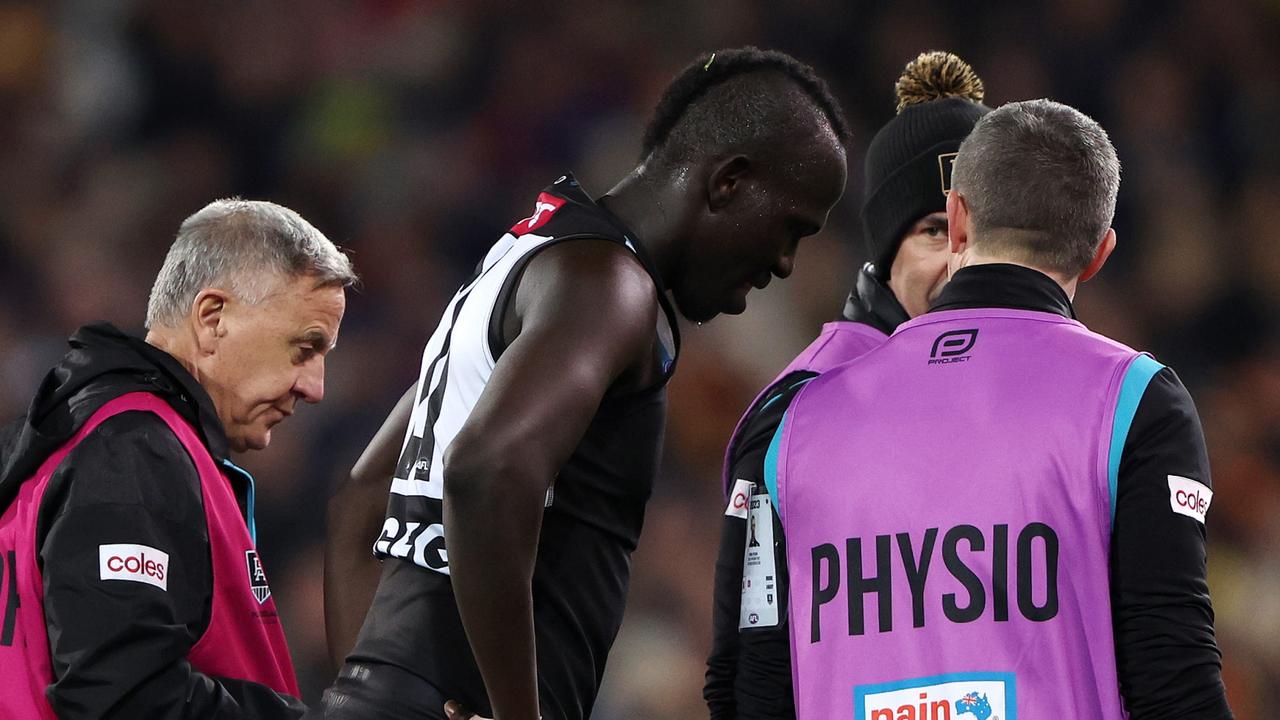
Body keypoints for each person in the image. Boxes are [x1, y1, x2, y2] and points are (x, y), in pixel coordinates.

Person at [318, 47, 849, 720]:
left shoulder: (525, 259)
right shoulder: (609, 288)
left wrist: (365, 690)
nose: (784, 262)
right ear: (729, 183)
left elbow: (360, 502)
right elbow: (486, 470)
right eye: (790, 228)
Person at [752, 99, 1233, 718]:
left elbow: (755, 685)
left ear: (956, 222)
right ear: (1099, 252)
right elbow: (1172, 673)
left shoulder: (798, 419)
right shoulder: (1134, 398)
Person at [704, 50, 991, 720]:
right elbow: (747, 671)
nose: (962, 263)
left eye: (983, 236)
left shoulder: (1053, 395)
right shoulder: (798, 413)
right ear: (886, 246)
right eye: (932, 232)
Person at [0, 199, 357, 719]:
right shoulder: (132, 452)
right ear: (212, 320)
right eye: (304, 348)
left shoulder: (101, 436)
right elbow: (124, 697)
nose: (315, 387)